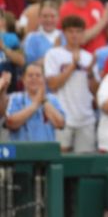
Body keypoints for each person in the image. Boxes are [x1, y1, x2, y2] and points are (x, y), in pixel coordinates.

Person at [44, 15, 96, 153]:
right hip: (63, 116)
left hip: (86, 117)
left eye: (78, 31)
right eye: (70, 31)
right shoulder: (53, 54)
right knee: (61, 158)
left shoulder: (89, 57)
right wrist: (73, 65)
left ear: (83, 34)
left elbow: (95, 92)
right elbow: (52, 84)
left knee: (84, 162)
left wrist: (91, 73)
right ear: (64, 33)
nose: (74, 35)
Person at [5, 64, 65, 142]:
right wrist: (35, 104)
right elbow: (11, 123)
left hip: (47, 150)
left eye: (38, 75)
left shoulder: (52, 99)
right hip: (21, 151)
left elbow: (60, 124)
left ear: (44, 79)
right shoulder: (15, 98)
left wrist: (44, 100)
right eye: (30, 75)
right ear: (23, 79)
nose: (34, 78)